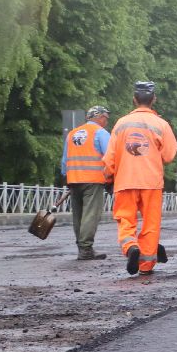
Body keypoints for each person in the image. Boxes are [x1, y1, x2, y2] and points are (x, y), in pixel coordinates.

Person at [103, 81, 177, 276]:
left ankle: (130, 247)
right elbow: (169, 155)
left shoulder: (121, 123)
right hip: (151, 182)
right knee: (150, 224)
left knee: (125, 220)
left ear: (134, 99)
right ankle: (145, 265)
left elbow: (110, 157)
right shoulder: (161, 124)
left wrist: (108, 176)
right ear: (154, 99)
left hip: (125, 180)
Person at [60, 105, 111, 261]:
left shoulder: (72, 134)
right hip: (93, 180)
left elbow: (64, 161)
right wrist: (111, 179)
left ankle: (82, 248)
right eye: (106, 118)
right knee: (90, 215)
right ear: (100, 117)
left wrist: (67, 177)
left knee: (79, 216)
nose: (107, 121)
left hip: (74, 179)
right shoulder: (100, 133)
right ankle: (86, 249)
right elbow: (110, 157)